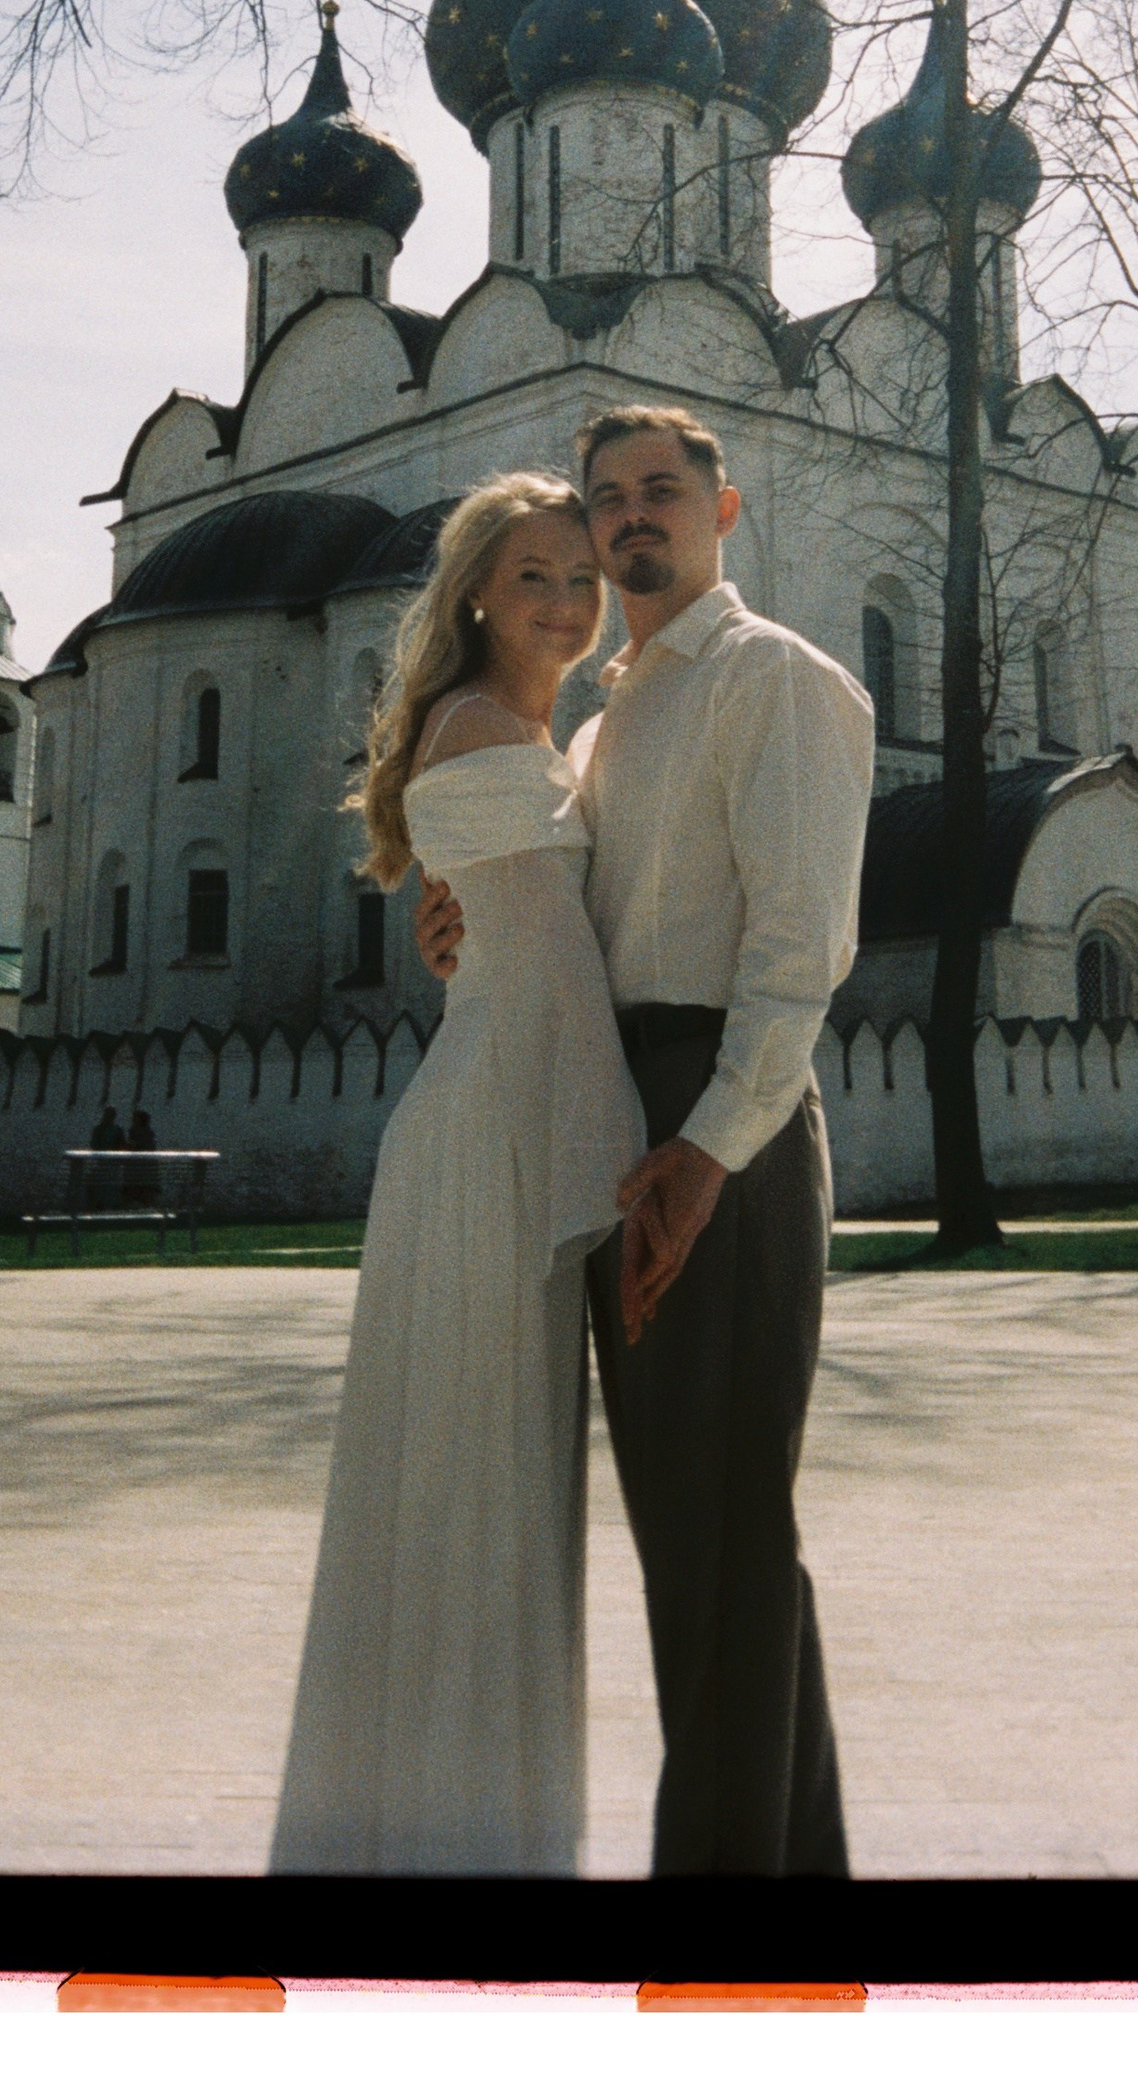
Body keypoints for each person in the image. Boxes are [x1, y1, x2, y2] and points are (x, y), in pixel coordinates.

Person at [417, 406, 877, 1879]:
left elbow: (799, 950)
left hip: (717, 1115)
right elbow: (578, 930)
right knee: (708, 1542)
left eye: (661, 491)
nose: (630, 517)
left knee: (720, 1536)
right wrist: (468, 928)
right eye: (608, 495)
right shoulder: (605, 725)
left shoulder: (777, 680)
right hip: (625, 1109)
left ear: (722, 512)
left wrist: (711, 1149)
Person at [269, 475, 644, 1877]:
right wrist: (631, 1179)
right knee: (483, 1480)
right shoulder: (488, 730)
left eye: (582, 578)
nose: (564, 601)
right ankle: (465, 1840)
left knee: (465, 1476)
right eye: (534, 574)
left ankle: (428, 1818)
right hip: (497, 1132)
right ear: (478, 591)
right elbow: (557, 983)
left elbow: (507, 942)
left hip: (477, 1116)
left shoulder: (514, 732)